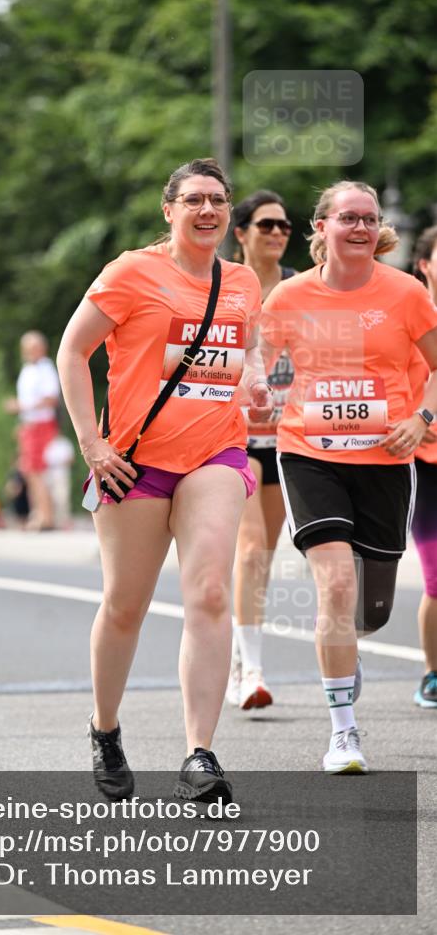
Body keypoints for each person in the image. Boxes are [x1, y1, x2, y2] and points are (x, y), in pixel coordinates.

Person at [57, 158, 273, 801]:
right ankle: (105, 730)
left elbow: (248, 346)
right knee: (126, 605)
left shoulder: (241, 283)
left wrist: (256, 379)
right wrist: (92, 446)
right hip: (133, 461)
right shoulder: (131, 273)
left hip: (217, 453)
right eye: (195, 200)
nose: (208, 211)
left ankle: (200, 753)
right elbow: (73, 351)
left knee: (209, 592)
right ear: (169, 210)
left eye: (218, 200)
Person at [261, 182, 437, 773]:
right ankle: (343, 733)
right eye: (348, 218)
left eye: (369, 219)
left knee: (371, 613)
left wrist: (422, 418)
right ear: (322, 227)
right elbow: (263, 371)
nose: (360, 228)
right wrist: (259, 396)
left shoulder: (406, 293)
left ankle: (346, 650)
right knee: (336, 585)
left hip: (386, 460)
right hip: (309, 455)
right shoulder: (287, 297)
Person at [227, 190, 295, 710]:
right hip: (235, 436)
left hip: (291, 439)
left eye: (284, 227)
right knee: (250, 548)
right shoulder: (226, 286)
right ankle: (252, 670)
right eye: (267, 225)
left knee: (264, 556)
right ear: (242, 232)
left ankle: (237, 647)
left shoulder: (301, 289)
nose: (277, 233)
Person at [408, 225, 437, 708]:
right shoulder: (408, 316)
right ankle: (432, 674)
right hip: (423, 464)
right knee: (435, 576)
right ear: (425, 265)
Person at [5, 331, 60, 530]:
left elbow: (51, 399)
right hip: (29, 424)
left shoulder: (45, 369)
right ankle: (40, 512)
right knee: (29, 471)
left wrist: (22, 407)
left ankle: (46, 516)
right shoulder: (28, 369)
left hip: (41, 424)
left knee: (36, 470)